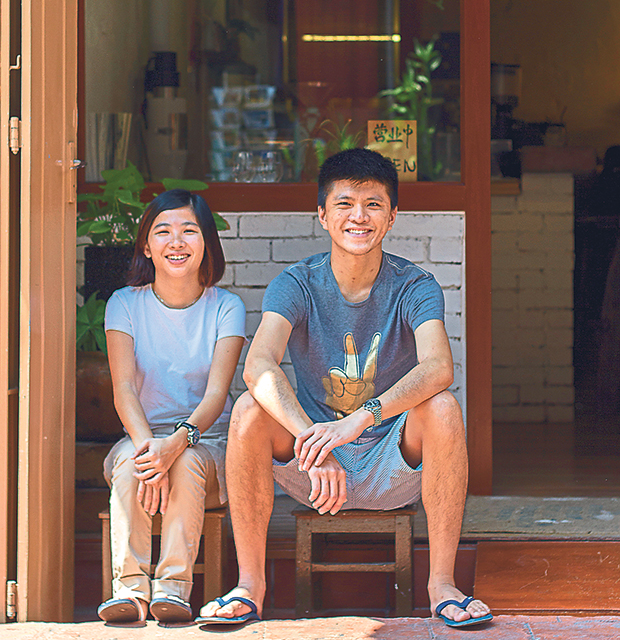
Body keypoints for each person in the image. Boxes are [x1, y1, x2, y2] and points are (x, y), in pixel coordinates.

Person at [199, 148, 492, 629]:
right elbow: (258, 364)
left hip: (391, 461)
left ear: (393, 215)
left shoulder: (414, 284)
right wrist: (316, 440)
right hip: (316, 470)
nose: (359, 216)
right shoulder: (297, 283)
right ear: (322, 214)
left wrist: (362, 419)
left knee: (442, 407)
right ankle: (250, 584)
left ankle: (442, 582)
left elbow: (439, 367)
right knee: (251, 409)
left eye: (374, 204)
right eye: (345, 204)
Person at [97, 189, 246, 626]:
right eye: (163, 231)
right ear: (147, 245)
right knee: (130, 462)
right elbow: (123, 388)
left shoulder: (226, 307)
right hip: (142, 437)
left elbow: (216, 396)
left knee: (186, 463)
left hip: (209, 443)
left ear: (206, 244)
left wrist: (175, 446)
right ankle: (129, 591)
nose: (176, 242)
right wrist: (150, 448)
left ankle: (173, 591)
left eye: (189, 231)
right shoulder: (125, 304)